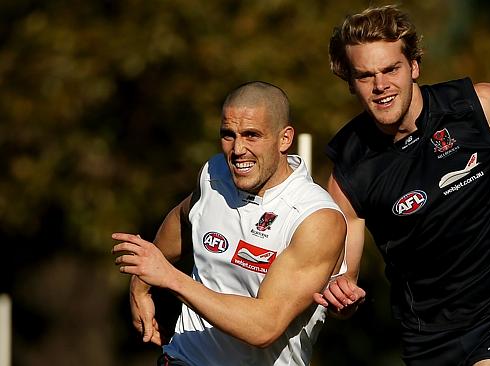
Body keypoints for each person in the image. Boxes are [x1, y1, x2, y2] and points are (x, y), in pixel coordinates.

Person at [313, 5, 490, 366]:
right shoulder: (350, 170)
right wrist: (342, 295)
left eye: (391, 69)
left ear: (413, 66)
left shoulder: (477, 106)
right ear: (351, 83)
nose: (381, 85)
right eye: (366, 75)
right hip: (428, 341)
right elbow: (343, 280)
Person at [112, 81, 346, 366]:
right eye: (228, 135)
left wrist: (170, 278)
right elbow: (183, 218)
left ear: (284, 139)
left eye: (252, 135)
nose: (237, 150)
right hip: (184, 359)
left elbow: (264, 326)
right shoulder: (214, 174)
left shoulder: (315, 218)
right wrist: (141, 284)